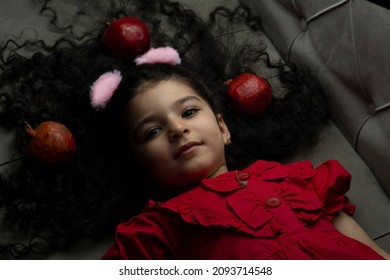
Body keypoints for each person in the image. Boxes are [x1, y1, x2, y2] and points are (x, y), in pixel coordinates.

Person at [0, 0, 387, 259]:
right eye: (151, 132)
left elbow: (366, 251)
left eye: (188, 112)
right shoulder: (157, 230)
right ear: (139, 162)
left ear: (223, 126)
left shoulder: (293, 180)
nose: (176, 129)